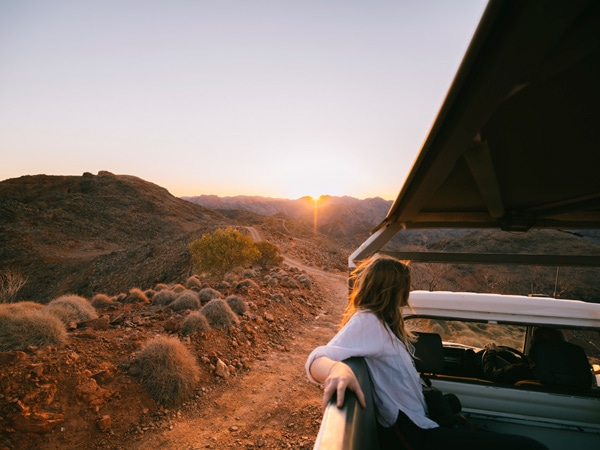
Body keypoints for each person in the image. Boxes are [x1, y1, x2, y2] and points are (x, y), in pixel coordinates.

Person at [305, 254, 548, 450]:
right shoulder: (367, 322)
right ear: (392, 289)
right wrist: (338, 370)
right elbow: (316, 359)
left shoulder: (385, 324)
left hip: (423, 424)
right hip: (415, 436)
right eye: (405, 286)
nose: (408, 292)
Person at [482, 327, 565, 384]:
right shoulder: (565, 373)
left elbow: (492, 374)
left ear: (534, 345)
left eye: (532, 341)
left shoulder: (523, 371)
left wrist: (491, 352)